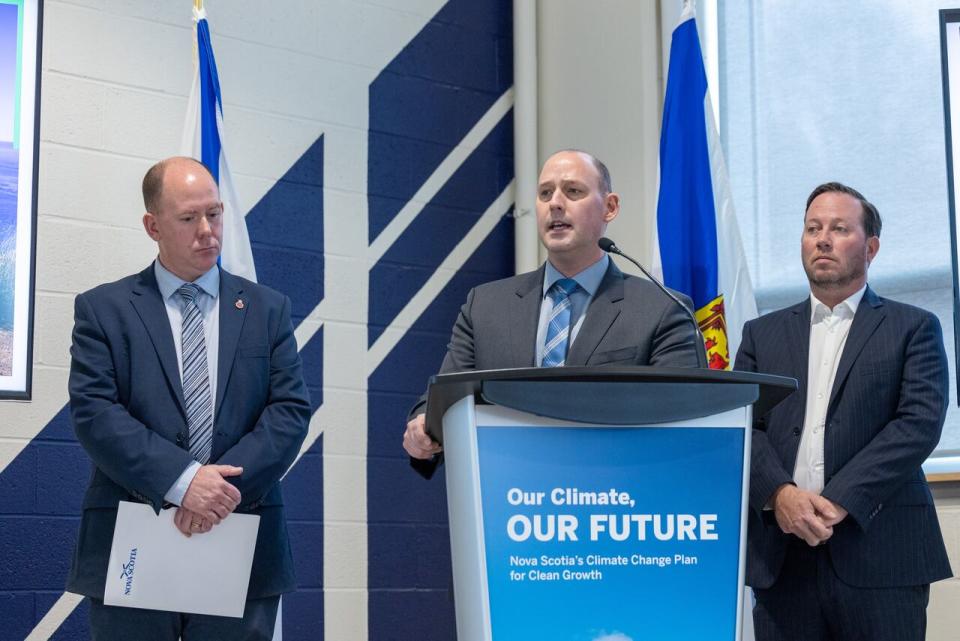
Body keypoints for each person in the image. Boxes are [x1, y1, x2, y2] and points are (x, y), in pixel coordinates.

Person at [66, 157, 311, 640]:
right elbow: (95, 413)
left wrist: (215, 493)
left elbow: (289, 412)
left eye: (215, 215)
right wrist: (183, 482)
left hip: (241, 537)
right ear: (153, 226)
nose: (207, 231)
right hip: (135, 536)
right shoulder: (103, 310)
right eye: (188, 219)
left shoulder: (268, 309)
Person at [735, 182, 952, 641]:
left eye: (838, 228)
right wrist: (780, 495)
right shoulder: (761, 335)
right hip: (783, 557)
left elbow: (917, 425)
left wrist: (837, 501)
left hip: (882, 552)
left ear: (870, 247)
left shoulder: (913, 327)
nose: (823, 239)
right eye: (813, 228)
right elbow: (743, 426)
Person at [403, 150, 705, 477]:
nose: (555, 203)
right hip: (508, 499)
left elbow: (682, 426)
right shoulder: (485, 306)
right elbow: (441, 402)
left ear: (610, 207)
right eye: (545, 193)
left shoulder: (662, 309)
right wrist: (422, 428)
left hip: (618, 500)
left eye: (573, 191)